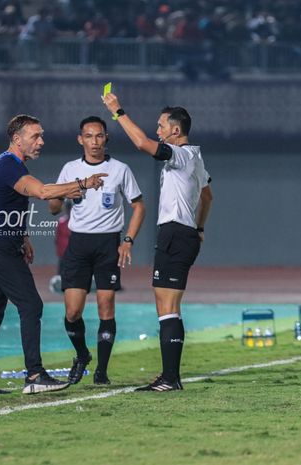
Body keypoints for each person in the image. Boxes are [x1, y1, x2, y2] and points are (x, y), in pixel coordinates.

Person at [0, 114, 107, 396]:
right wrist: (83, 184)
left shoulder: (6, 165)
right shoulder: (8, 164)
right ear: (17, 140)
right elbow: (43, 192)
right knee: (31, 306)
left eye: (41, 135)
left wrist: (23, 236)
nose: (41, 141)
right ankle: (34, 375)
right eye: (35, 136)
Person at [101, 94, 212, 392]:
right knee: (167, 306)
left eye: (162, 125)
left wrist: (117, 112)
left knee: (168, 307)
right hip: (182, 233)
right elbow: (208, 196)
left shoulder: (183, 154)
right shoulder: (196, 158)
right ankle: (169, 376)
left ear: (176, 130)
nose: (158, 130)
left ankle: (170, 378)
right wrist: (199, 227)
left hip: (175, 233)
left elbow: (141, 143)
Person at [48, 116, 145, 386]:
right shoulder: (70, 169)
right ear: (80, 139)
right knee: (72, 312)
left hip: (107, 245)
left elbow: (139, 206)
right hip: (78, 245)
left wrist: (128, 240)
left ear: (106, 139)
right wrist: (66, 193)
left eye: (99, 136)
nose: (94, 141)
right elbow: (53, 207)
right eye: (89, 136)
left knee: (105, 306)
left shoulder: (120, 170)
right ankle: (82, 355)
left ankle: (101, 371)